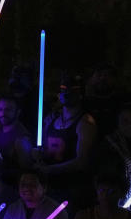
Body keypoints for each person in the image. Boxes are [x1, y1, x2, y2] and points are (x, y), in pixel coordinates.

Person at [35, 72, 97, 210]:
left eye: (72, 90)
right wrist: (38, 154)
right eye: (63, 89)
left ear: (80, 94)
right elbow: (47, 150)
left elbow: (81, 162)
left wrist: (50, 170)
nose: (67, 93)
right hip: (48, 187)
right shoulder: (51, 119)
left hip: (72, 189)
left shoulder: (85, 123)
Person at [0, 96, 32, 185]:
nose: (3, 113)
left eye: (8, 110)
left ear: (18, 112)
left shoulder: (21, 138)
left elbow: (26, 171)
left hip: (11, 188)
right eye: (0, 109)